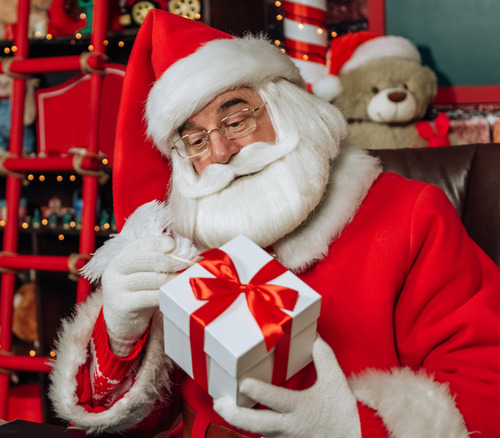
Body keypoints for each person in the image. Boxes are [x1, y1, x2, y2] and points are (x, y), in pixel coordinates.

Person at [48, 10, 500, 438]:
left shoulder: (409, 214)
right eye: (196, 139)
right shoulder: (178, 245)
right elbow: (137, 423)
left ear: (286, 109)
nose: (221, 150)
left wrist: (354, 427)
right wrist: (122, 337)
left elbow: (486, 382)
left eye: (236, 117)